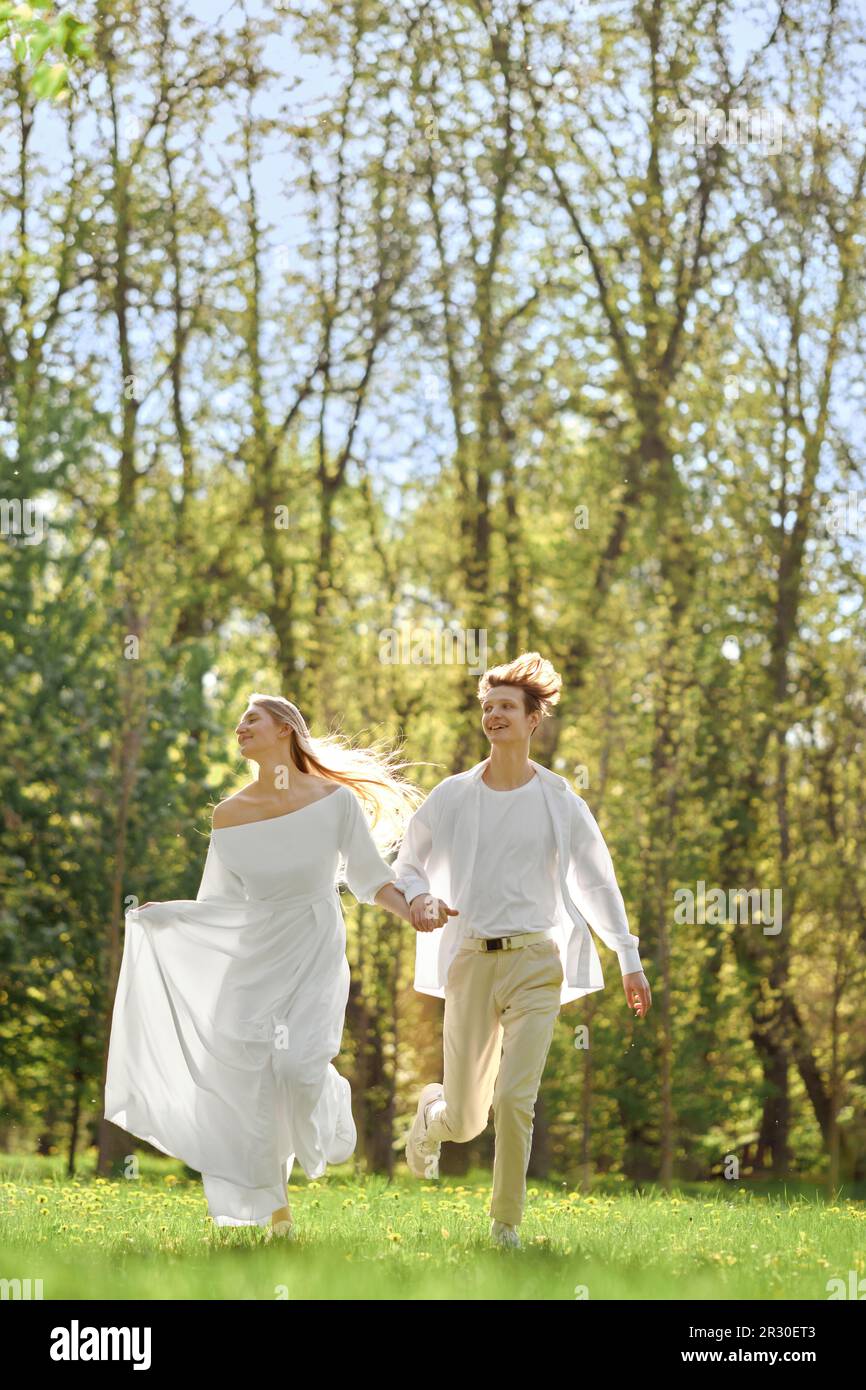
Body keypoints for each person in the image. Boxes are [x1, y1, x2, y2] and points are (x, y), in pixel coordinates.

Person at [104, 694, 446, 1236]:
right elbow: (219, 903)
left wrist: (414, 912)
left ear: (285, 728)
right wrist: (167, 916)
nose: (241, 727)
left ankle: (330, 1096)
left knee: (296, 1069)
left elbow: (369, 877)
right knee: (250, 1086)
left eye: (252, 719)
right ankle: (277, 1214)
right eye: (239, 721)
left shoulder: (333, 801)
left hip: (313, 947)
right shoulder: (229, 814)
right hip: (252, 960)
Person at [391, 652, 652, 1249]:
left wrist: (629, 959)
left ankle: (505, 1224)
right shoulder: (454, 796)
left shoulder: (560, 800)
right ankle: (434, 1117)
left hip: (537, 962)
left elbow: (598, 885)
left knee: (515, 1099)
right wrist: (421, 896)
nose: (494, 715)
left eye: (506, 706)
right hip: (470, 961)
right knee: (467, 1120)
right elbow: (408, 862)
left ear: (534, 719)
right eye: (488, 707)